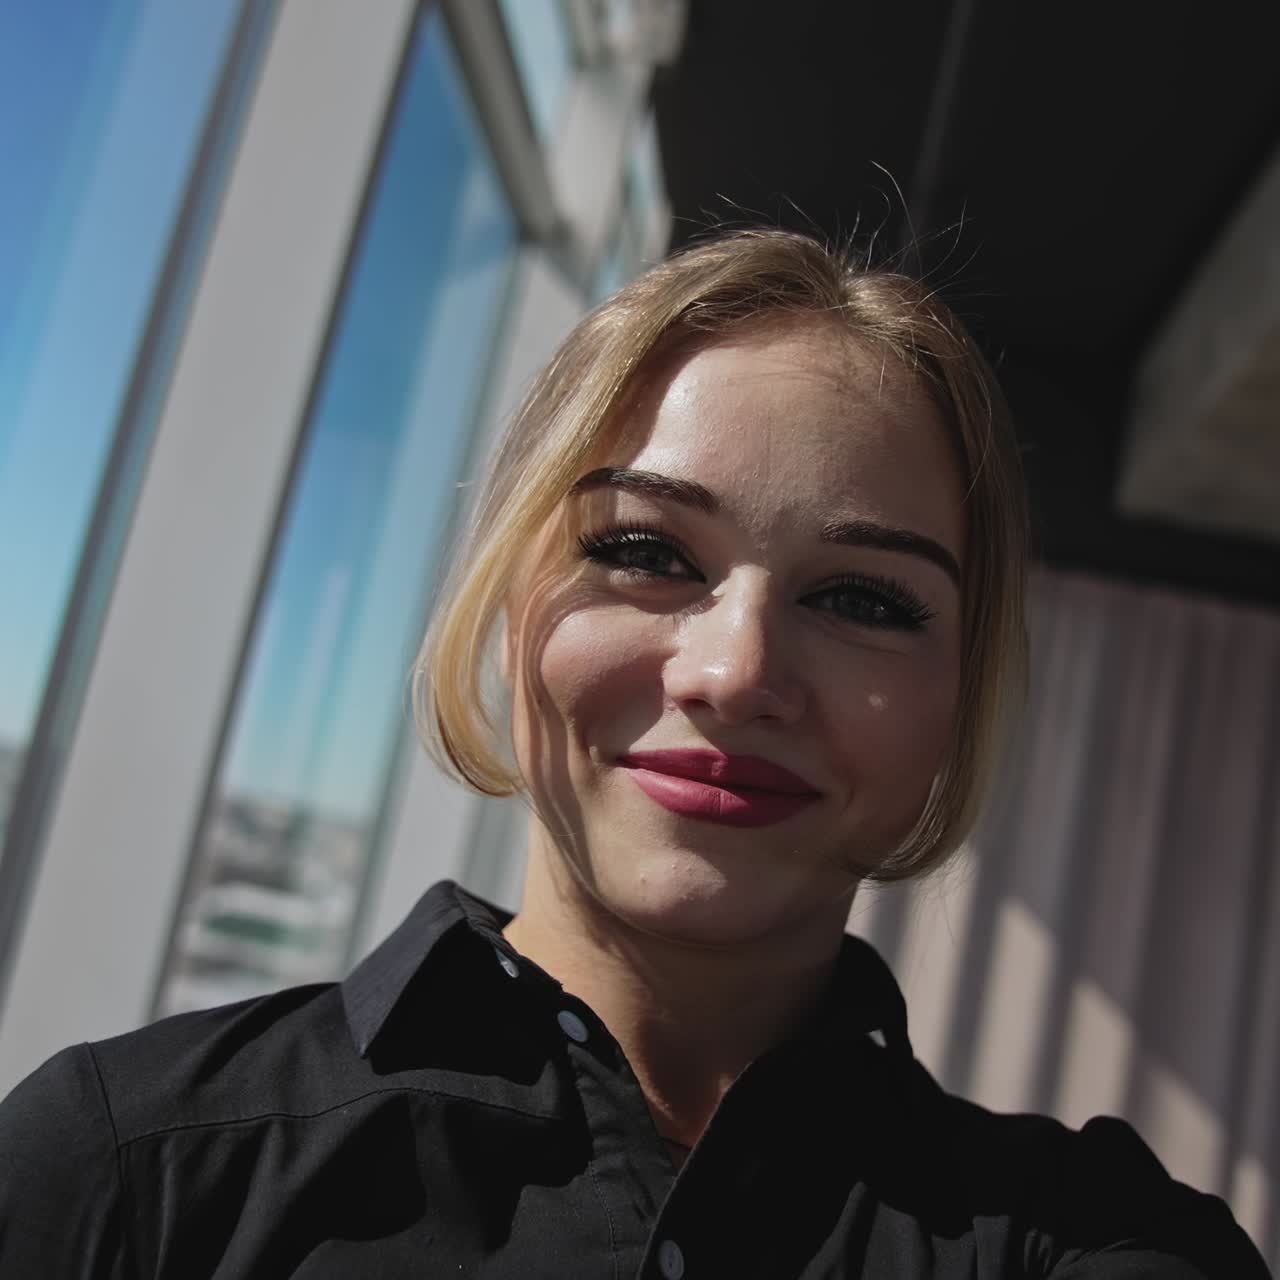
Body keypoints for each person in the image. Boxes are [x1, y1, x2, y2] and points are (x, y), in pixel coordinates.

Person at [0, 230, 1268, 1278]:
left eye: (863, 598)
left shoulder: (1100, 1240)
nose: (734, 672)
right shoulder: (123, 1173)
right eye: (644, 551)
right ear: (507, 599)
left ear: (957, 694)